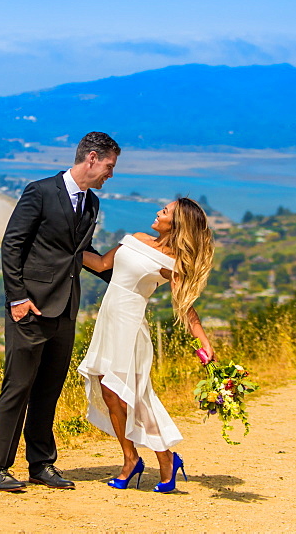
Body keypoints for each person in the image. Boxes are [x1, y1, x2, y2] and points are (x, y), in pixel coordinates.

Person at [0, 132, 120, 492]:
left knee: (49, 390)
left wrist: (125, 280)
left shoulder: (92, 205)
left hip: (66, 310)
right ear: (91, 158)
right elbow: (12, 244)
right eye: (109, 166)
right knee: (18, 387)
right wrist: (17, 299)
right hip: (30, 308)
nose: (110, 174)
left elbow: (82, 252)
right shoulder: (40, 191)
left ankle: (41, 465)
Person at [77, 197, 215, 493]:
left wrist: (202, 339)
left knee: (136, 395)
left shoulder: (171, 264)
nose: (157, 213)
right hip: (108, 321)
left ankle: (166, 458)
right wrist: (66, 248)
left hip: (130, 327)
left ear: (176, 225)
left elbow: (185, 307)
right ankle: (131, 459)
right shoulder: (135, 239)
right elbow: (101, 264)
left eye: (164, 212)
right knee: (109, 392)